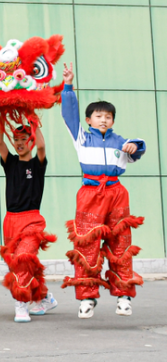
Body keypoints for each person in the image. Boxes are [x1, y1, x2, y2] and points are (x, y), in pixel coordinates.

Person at [60, 63, 145, 319]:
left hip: (117, 193)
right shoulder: (82, 138)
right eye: (98, 116)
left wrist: (134, 146)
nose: (103, 119)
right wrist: (68, 86)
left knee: (121, 244)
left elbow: (136, 149)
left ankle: (124, 296)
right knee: (87, 246)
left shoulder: (121, 142)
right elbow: (69, 113)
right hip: (89, 193)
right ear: (89, 120)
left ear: (113, 120)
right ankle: (86, 298)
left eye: (108, 116)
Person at [0, 122, 57, 322]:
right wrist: (1, 119)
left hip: (32, 221)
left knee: (23, 258)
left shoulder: (37, 164)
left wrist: (34, 123)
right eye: (16, 139)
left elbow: (41, 147)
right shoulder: (11, 162)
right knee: (16, 266)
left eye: (24, 139)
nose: (19, 143)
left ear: (31, 140)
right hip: (11, 221)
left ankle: (21, 304)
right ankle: (44, 298)